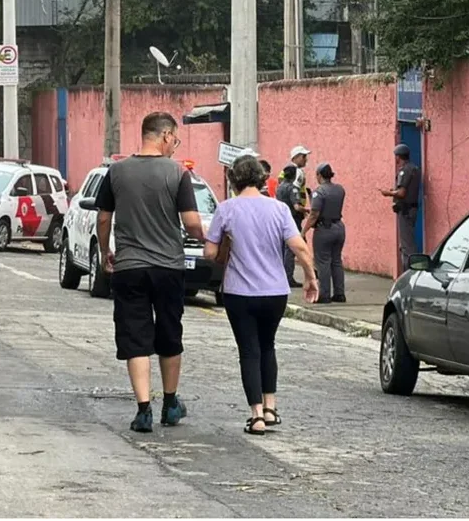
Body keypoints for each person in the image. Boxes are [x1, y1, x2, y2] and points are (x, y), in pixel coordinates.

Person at [94, 111, 205, 433]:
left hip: (129, 267)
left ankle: (143, 409)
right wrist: (213, 241)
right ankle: (170, 404)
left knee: (135, 336)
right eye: (175, 139)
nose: (175, 145)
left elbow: (103, 219)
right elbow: (192, 223)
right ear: (167, 135)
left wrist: (105, 252)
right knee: (169, 333)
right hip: (169, 267)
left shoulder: (116, 171)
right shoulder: (177, 173)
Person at [204, 154, 318, 436]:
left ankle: (255, 415)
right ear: (260, 178)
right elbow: (299, 247)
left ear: (233, 181)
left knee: (249, 350)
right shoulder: (279, 210)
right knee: (268, 346)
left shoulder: (226, 209)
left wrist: (225, 249)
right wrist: (311, 278)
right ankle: (270, 407)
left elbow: (210, 253)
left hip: (239, 293)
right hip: (275, 292)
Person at [302, 162, 346, 304]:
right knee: (337, 261)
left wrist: (304, 231)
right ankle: (340, 293)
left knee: (323, 262)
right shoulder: (340, 189)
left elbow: (314, 214)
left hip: (324, 229)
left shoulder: (319, 192)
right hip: (339, 226)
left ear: (319, 175)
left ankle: (325, 294)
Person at [379, 144, 421, 271]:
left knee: (407, 245)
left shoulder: (405, 170)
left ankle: (410, 273)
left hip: (406, 210)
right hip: (411, 209)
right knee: (408, 242)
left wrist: (388, 193)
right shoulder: (414, 168)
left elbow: (402, 193)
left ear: (398, 157)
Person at [276, 164, 305, 288]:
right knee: (291, 250)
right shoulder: (292, 188)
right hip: (292, 220)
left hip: (280, 220)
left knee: (282, 249)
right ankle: (288, 277)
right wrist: (307, 210)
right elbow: (297, 207)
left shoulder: (279, 188)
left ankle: (281, 276)